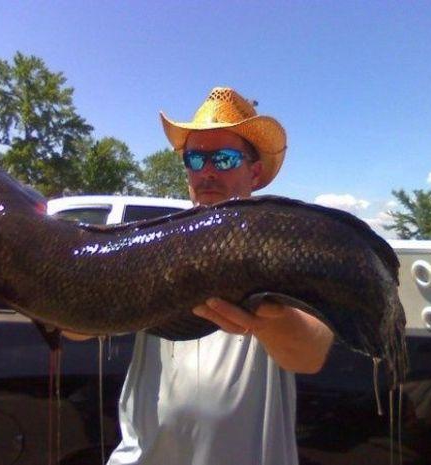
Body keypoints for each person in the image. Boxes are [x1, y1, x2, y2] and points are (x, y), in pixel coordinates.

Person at [104, 87, 334, 465]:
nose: (208, 171)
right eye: (196, 159)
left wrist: (272, 316)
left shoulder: (279, 244)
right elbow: (76, 328)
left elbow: (311, 353)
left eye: (225, 158)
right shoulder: (155, 243)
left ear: (254, 171)